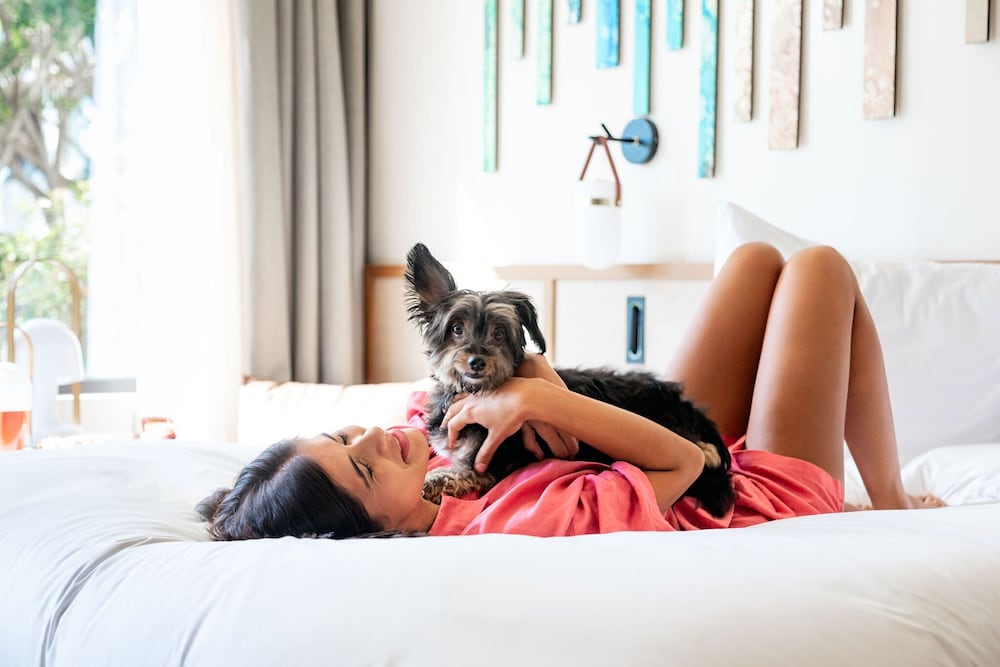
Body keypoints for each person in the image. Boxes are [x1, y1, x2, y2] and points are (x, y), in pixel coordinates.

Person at [197, 243, 944, 540]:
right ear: (379, 533)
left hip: (670, 434)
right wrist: (542, 402)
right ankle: (887, 499)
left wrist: (538, 381)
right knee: (820, 268)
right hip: (731, 490)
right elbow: (684, 462)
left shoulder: (423, 436)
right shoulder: (509, 521)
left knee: (752, 261)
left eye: (341, 434)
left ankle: (882, 493)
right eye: (363, 467)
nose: (368, 437)